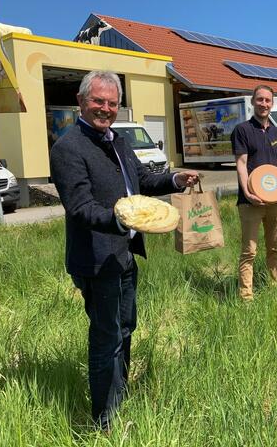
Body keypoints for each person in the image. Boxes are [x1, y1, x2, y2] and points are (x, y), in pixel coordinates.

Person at [50, 70, 198, 430]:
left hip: (124, 255)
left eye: (112, 103)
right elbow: (80, 206)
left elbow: (141, 182)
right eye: (98, 101)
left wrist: (175, 179)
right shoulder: (68, 147)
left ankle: (120, 398)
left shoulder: (117, 141)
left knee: (126, 328)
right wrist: (123, 220)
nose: (105, 108)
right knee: (107, 338)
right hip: (97, 260)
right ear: (81, 102)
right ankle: (104, 421)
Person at [230, 85, 277, 300]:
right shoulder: (242, 130)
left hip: (276, 201)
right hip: (250, 202)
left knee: (274, 248)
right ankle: (246, 296)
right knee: (249, 251)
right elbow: (242, 164)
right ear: (253, 102)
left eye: (268, 100)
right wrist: (247, 192)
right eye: (260, 99)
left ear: (272, 104)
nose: (264, 104)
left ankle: (275, 287)